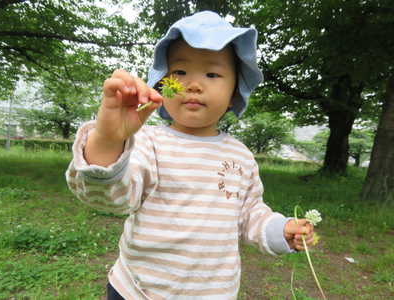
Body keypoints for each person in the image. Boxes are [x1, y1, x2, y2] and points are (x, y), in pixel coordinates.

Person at [66, 11, 314, 300]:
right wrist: (109, 140)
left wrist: (279, 229)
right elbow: (111, 197)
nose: (193, 85)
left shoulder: (240, 156)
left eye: (212, 74)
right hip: (137, 289)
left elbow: (249, 215)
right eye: (180, 73)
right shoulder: (148, 142)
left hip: (212, 293)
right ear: (160, 84)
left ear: (235, 92)